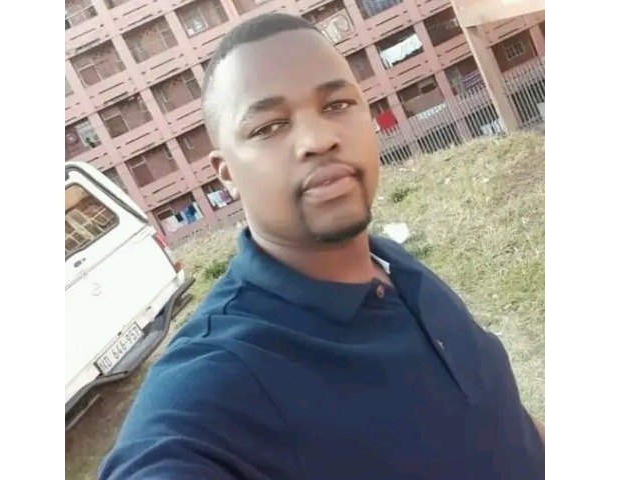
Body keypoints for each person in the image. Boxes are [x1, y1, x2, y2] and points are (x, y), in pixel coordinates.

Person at [99, 13, 545, 480]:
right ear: (226, 174)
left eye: (337, 104)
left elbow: (503, 421)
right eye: (269, 127)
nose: (318, 140)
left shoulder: (392, 265)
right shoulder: (225, 374)